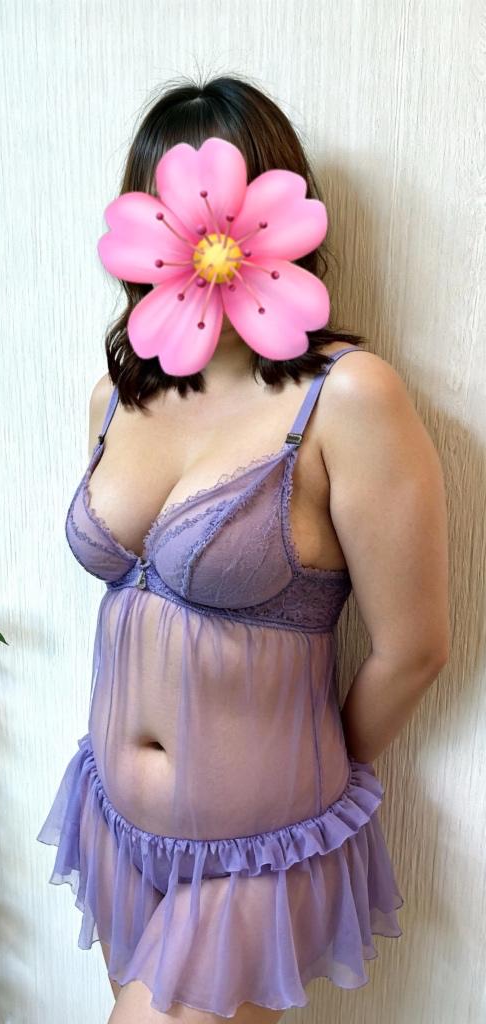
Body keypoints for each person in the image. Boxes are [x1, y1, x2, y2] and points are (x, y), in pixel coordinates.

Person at [37, 74, 449, 1024]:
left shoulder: (349, 398)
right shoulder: (116, 398)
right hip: (117, 824)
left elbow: (415, 648)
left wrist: (301, 782)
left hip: (262, 846)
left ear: (274, 213)